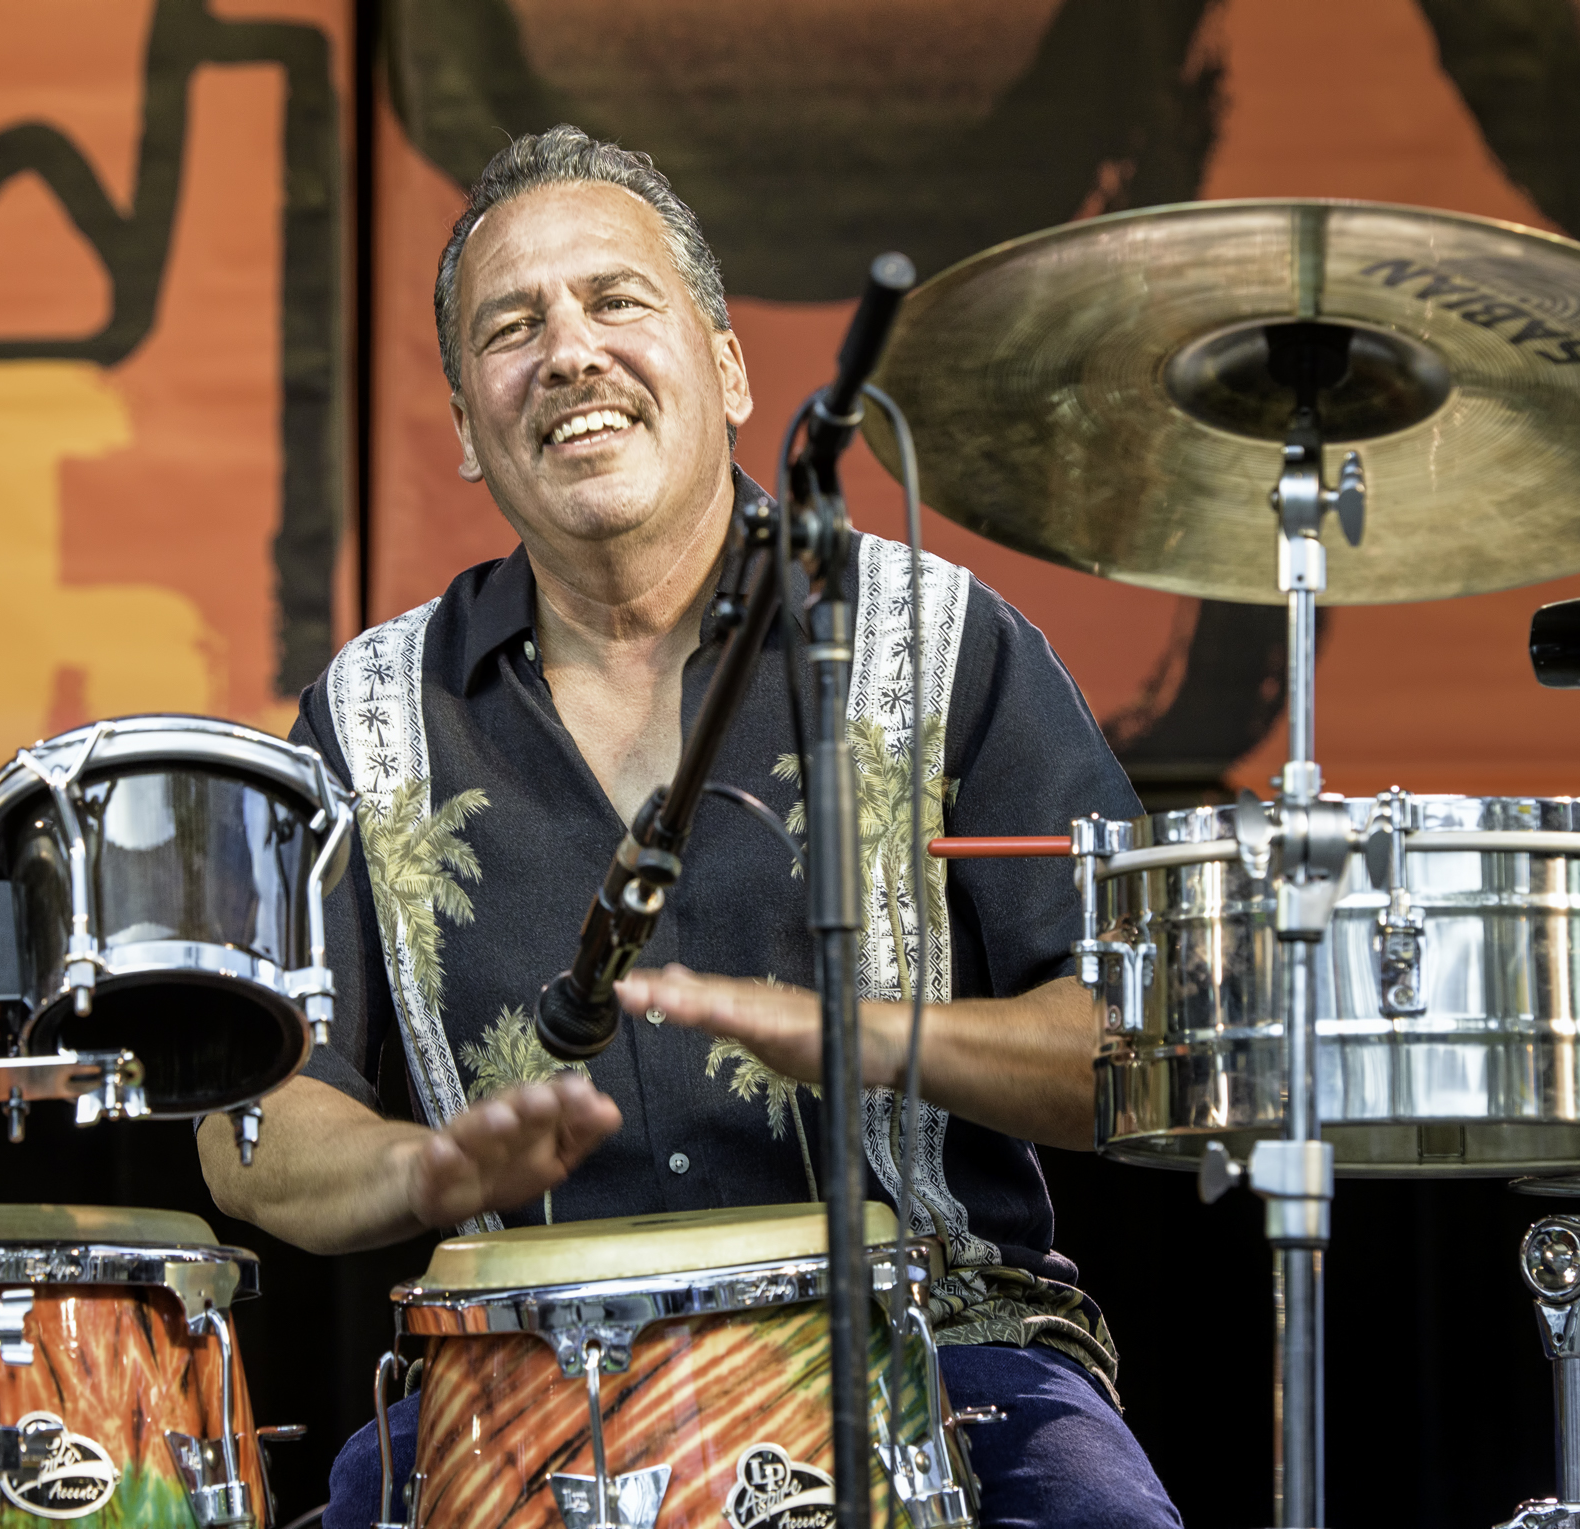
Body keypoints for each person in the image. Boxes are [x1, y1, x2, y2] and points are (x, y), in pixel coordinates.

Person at [195, 125, 1179, 1529]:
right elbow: (249, 1125)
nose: (570, 353)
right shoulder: (364, 719)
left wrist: (864, 1030)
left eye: (615, 300)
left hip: (935, 1349)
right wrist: (427, 1165)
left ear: (725, 366)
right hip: (516, 1383)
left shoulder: (938, 642)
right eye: (512, 327)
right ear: (469, 430)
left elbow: (1139, 1041)